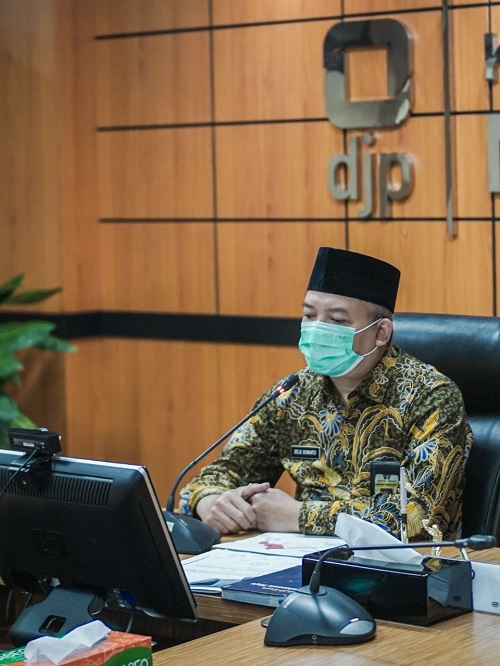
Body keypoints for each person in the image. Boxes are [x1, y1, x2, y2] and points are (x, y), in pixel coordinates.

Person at [179, 247, 473, 541]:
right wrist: (210, 502)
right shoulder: (292, 394)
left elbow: (419, 519)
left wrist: (298, 515)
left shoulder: (430, 396)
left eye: (337, 321)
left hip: (400, 563)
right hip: (298, 558)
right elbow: (222, 474)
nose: (317, 328)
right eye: (309, 315)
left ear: (381, 333)